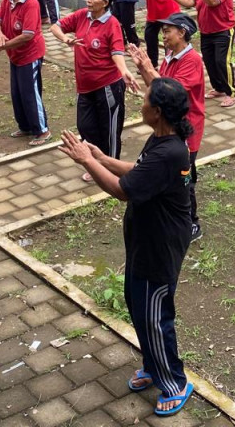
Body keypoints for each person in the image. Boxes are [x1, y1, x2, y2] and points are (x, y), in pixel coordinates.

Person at [58, 78, 195, 418]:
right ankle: (153, 365)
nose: (141, 103)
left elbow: (124, 190)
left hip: (159, 250)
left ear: (158, 111)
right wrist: (102, 157)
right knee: (138, 307)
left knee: (155, 318)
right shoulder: (160, 139)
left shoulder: (171, 150)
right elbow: (137, 173)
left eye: (146, 100)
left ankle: (175, 382)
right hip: (144, 243)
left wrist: (86, 162)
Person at [128, 12, 206, 242]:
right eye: (163, 30)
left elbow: (171, 91)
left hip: (187, 127)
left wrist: (147, 66)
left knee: (185, 177)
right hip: (171, 125)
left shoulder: (192, 60)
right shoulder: (170, 56)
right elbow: (158, 90)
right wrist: (144, 68)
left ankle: (192, 223)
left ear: (182, 32)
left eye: (168, 30)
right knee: (177, 173)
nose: (164, 35)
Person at [50, 0, 139, 182]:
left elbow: (117, 51)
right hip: (84, 86)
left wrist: (124, 71)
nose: (89, 0)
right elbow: (55, 27)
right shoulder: (82, 15)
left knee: (109, 130)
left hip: (108, 86)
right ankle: (95, 163)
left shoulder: (112, 24)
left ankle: (112, 169)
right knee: (85, 127)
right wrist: (65, 39)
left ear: (105, 3)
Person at [158, 0, 235, 107]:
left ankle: (231, 93)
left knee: (222, 62)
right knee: (209, 61)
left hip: (223, 30)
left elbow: (212, 1)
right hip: (206, 31)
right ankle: (218, 88)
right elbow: (189, 2)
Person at [0, 0, 50, 147]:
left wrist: (0, 47)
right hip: (14, 54)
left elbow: (27, 35)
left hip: (30, 55)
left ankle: (42, 130)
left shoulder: (31, 4)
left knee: (30, 93)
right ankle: (25, 126)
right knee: (17, 93)